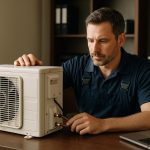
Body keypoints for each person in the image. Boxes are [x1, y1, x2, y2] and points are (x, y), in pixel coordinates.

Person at [14, 7, 150, 135]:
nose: (94, 49)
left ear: (120, 40)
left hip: (125, 143)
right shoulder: (77, 65)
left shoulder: (142, 69)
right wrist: (29, 71)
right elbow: (41, 87)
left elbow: (148, 117)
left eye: (102, 41)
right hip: (84, 141)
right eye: (90, 40)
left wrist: (102, 124)